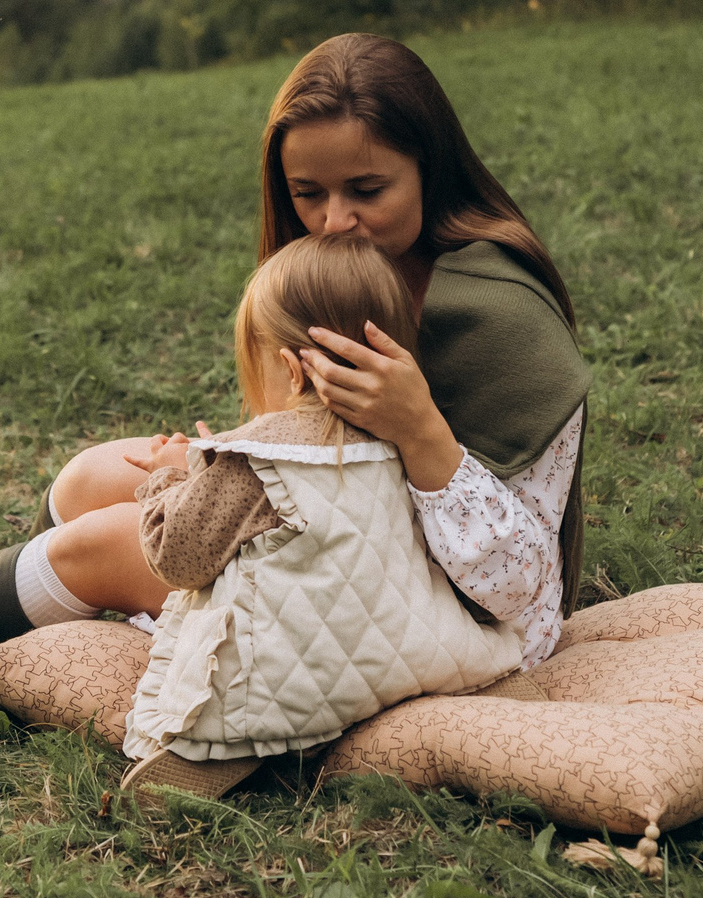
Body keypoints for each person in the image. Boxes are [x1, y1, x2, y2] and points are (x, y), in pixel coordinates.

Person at [0, 32, 590, 673]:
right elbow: (333, 450)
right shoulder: (343, 267)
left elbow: (523, 582)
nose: (332, 220)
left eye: (367, 190)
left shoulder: (495, 314)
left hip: (464, 611)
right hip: (352, 537)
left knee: (102, 546)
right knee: (90, 478)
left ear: (429, 168)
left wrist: (422, 430)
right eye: (307, 194)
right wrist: (235, 456)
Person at [117, 231, 527, 798]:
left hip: (286, 680)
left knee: (241, 690)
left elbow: (176, 555)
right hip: (407, 654)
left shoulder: (259, 462)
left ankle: (246, 745)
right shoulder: (403, 437)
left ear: (289, 370)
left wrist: (174, 476)